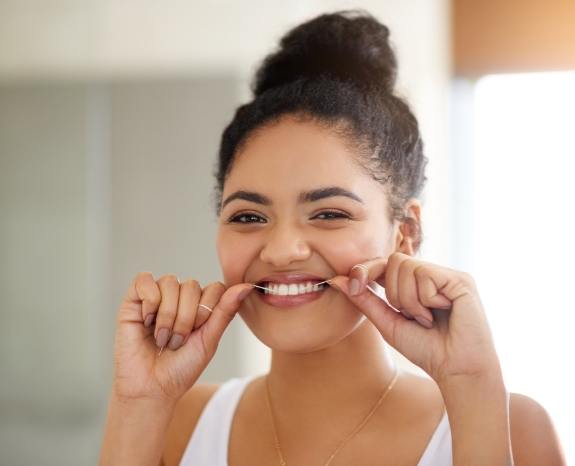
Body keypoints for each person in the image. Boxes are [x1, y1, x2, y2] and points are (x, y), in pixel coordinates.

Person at [99, 10, 566, 466]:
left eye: (328, 213)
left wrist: (471, 385)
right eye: (247, 217)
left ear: (406, 232)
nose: (282, 250)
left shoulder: (510, 426)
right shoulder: (177, 423)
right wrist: (137, 402)